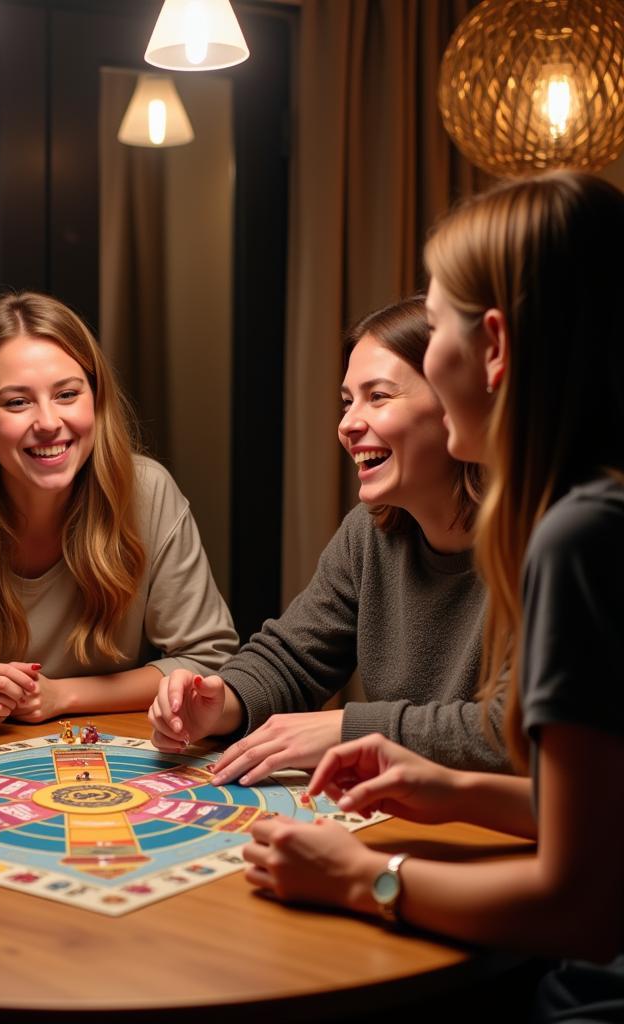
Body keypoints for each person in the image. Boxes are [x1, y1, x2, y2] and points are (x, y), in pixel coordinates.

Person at [243, 171, 624, 1022]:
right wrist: (447, 791)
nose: (351, 418)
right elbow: (599, 815)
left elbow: (585, 908)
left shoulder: (580, 537)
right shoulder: (591, 507)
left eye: (441, 320)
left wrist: (364, 879)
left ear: (492, 346)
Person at [148, 297, 506, 777]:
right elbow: (293, 659)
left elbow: (518, 731)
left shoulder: (540, 538)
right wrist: (222, 701)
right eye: (347, 401)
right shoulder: (370, 531)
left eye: (378, 397)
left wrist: (350, 730)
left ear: (456, 400)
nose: (347, 424)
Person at [0, 291, 237, 725]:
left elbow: (210, 663)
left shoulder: (147, 491)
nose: (48, 423)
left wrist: (64, 696)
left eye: (67, 394)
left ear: (95, 399)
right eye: (17, 401)